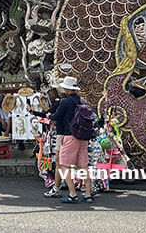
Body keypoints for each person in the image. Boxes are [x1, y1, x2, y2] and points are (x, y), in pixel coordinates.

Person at [49, 75, 93, 203]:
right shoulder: (82, 101)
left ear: (66, 89)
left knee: (64, 165)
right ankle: (88, 194)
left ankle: (72, 194)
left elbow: (57, 116)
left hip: (70, 136)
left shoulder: (65, 102)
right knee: (83, 165)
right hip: (83, 137)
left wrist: (49, 115)